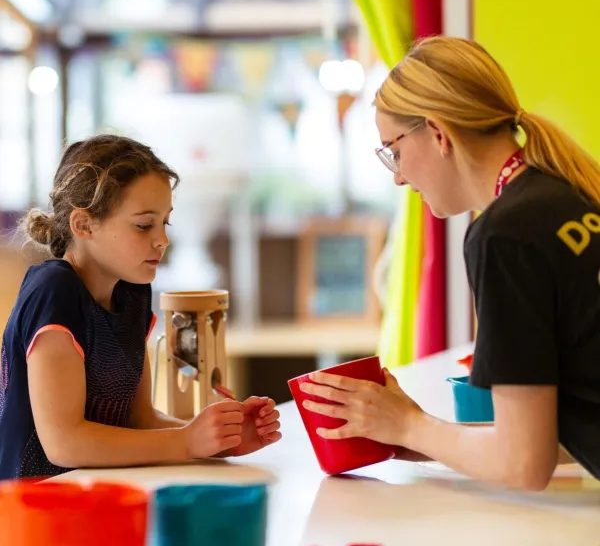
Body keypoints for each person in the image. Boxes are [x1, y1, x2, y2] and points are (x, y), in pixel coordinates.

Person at [299, 35, 600, 491]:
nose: (398, 177)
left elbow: (524, 465)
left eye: (394, 151)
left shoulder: (506, 235)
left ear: (438, 134)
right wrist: (417, 434)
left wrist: (409, 427)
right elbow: (552, 437)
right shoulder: (568, 191)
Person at [0, 134, 281, 480]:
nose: (162, 239)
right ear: (84, 224)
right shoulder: (54, 291)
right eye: (144, 225)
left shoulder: (133, 292)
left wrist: (217, 441)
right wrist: (186, 442)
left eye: (165, 222)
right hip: (33, 510)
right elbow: (64, 442)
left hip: (102, 496)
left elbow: (142, 421)